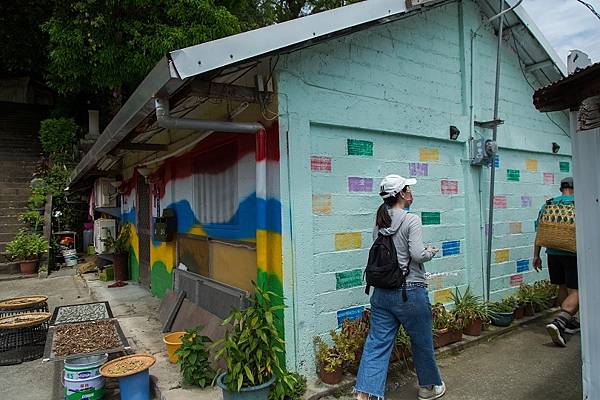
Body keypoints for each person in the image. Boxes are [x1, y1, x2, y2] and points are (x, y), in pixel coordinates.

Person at [355, 175, 445, 400]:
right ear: (403, 194)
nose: (411, 192)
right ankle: (428, 388)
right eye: (408, 188)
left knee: (377, 344)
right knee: (421, 341)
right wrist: (430, 252)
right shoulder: (411, 219)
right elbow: (416, 255)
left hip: (381, 294)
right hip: (410, 292)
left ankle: (364, 395)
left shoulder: (380, 220)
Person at [533, 176, 579, 347]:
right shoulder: (579, 204)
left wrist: (536, 255)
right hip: (573, 254)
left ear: (561, 189)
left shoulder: (549, 204)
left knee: (562, 287)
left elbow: (539, 233)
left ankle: (570, 321)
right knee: (577, 291)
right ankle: (560, 322)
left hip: (552, 253)